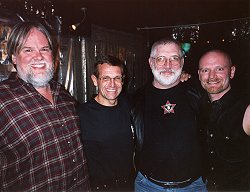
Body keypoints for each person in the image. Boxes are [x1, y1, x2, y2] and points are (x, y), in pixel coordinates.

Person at [0, 21, 90, 191]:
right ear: (13, 58)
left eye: (44, 49)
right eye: (28, 50)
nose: (38, 56)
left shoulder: (62, 94)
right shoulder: (3, 100)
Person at [131, 38, 207, 192]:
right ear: (151, 63)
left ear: (182, 62)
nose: (168, 65)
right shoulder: (135, 101)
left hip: (194, 186)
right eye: (161, 59)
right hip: (147, 186)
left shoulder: (199, 94)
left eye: (174, 58)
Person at [77, 55, 135, 191]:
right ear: (95, 80)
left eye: (117, 78)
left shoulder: (130, 104)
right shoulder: (80, 114)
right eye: (106, 78)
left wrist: (181, 79)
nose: (112, 85)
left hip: (129, 186)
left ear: (123, 80)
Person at [198, 49, 250, 191]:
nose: (212, 76)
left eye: (219, 69)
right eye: (205, 70)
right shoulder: (198, 104)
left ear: (232, 71)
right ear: (199, 74)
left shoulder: (246, 109)